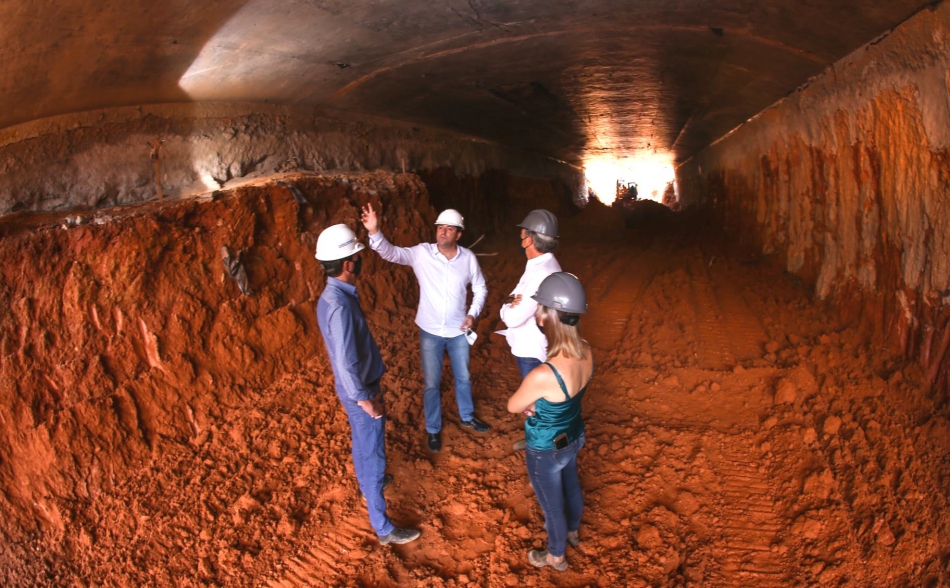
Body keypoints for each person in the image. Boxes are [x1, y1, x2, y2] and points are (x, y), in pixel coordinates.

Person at [315, 223, 421, 545]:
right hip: (359, 390)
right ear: (348, 264)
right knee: (373, 450)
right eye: (358, 255)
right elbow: (346, 362)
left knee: (362, 443)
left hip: (353, 388)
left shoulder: (331, 296)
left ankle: (369, 482)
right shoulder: (340, 306)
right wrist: (366, 400)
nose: (360, 260)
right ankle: (384, 528)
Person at [361, 203, 490, 454]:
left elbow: (481, 288)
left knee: (463, 377)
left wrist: (472, 314)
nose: (442, 232)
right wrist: (374, 232)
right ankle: (433, 429)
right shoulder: (422, 253)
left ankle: (467, 415)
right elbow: (391, 253)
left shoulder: (468, 259)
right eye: (440, 227)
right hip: (430, 331)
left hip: (458, 331)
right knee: (432, 383)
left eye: (449, 229)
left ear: (458, 234)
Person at [507, 272, 591, 572]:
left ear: (549, 317)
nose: (537, 314)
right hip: (574, 434)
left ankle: (555, 556)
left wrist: (533, 403)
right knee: (572, 485)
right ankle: (573, 532)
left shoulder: (544, 374)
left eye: (541, 308)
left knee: (551, 505)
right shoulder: (586, 352)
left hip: (546, 447)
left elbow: (513, 405)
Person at [501, 209, 562, 378]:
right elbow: (514, 296)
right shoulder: (546, 264)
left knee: (535, 401)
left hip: (531, 351)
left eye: (521, 237)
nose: (520, 241)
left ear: (528, 241)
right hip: (538, 346)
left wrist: (506, 304)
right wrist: (510, 300)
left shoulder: (540, 273)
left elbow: (512, 319)